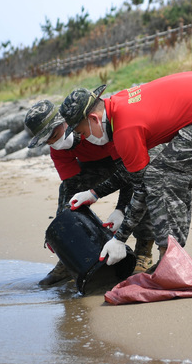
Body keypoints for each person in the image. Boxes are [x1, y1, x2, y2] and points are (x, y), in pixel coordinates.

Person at [60, 71, 192, 272]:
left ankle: (169, 258)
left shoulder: (125, 129)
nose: (84, 137)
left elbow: (141, 187)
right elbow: (132, 171)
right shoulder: (117, 105)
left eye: (82, 132)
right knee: (169, 177)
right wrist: (94, 193)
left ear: (94, 119)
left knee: (158, 178)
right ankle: (171, 255)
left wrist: (119, 238)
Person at [25, 100, 156, 285]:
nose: (53, 143)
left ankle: (143, 253)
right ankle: (68, 261)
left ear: (65, 122)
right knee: (66, 196)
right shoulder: (58, 150)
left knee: (144, 185)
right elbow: (71, 186)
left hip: (128, 158)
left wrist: (120, 209)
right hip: (95, 167)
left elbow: (131, 171)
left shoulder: (93, 125)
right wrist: (64, 231)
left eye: (54, 135)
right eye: (47, 141)